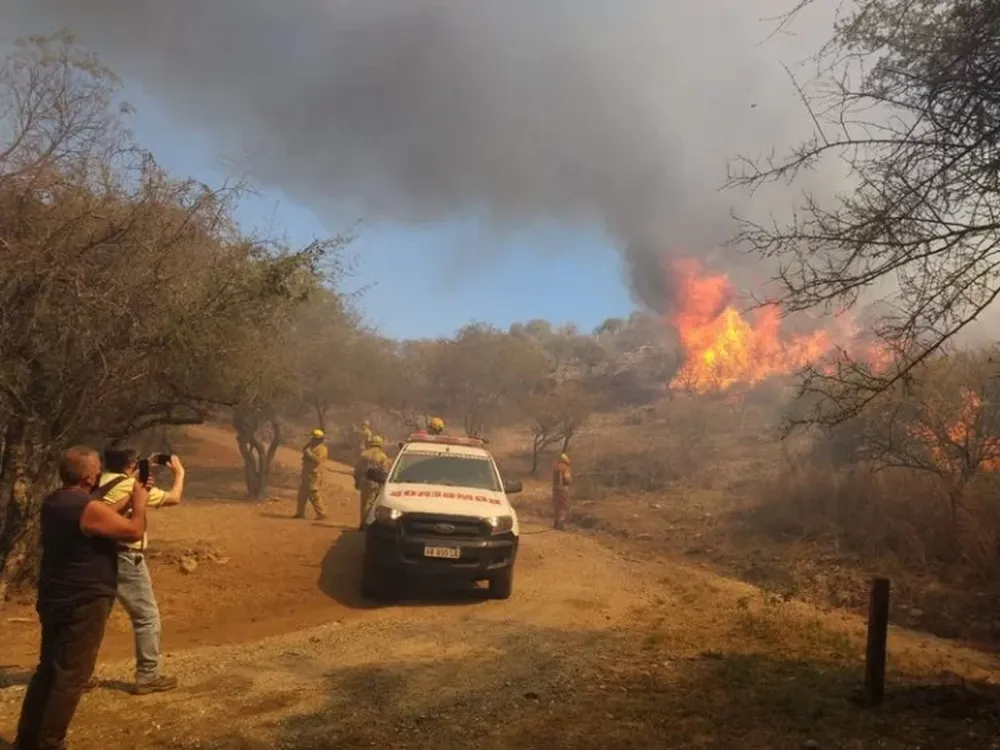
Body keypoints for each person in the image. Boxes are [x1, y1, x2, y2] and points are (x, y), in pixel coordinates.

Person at [16, 446, 150, 750]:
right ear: (90, 475)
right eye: (97, 468)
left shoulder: (55, 501)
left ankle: (28, 740)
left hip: (55, 595)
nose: (100, 471)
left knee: (48, 669)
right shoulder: (86, 507)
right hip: (84, 599)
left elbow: (96, 519)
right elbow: (133, 531)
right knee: (71, 676)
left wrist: (130, 499)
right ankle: (51, 743)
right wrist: (140, 505)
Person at [94, 448, 186, 695]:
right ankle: (148, 675)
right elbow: (173, 498)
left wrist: (145, 466)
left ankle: (80, 674)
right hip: (126, 556)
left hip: (99, 555)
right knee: (146, 616)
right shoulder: (129, 486)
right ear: (130, 465)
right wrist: (179, 473)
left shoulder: (99, 482)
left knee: (95, 616)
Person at [353, 435, 391, 530]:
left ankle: (363, 523)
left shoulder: (364, 454)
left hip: (364, 482)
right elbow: (385, 471)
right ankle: (368, 524)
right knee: (373, 505)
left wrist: (357, 482)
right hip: (376, 483)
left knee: (364, 504)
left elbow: (357, 470)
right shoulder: (382, 456)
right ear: (380, 444)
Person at [295, 429, 328, 521]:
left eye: (313, 438)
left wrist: (308, 453)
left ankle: (322, 513)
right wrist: (307, 448)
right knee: (302, 494)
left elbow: (318, 460)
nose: (311, 439)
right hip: (306, 473)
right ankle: (300, 513)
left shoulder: (322, 449)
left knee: (314, 494)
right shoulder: (311, 447)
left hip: (314, 474)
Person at [552, 453, 573, 530]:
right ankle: (561, 525)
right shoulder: (565, 468)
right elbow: (566, 479)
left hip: (555, 489)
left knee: (557, 507)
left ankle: (556, 523)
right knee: (564, 507)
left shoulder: (555, 467)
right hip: (563, 490)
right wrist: (570, 479)